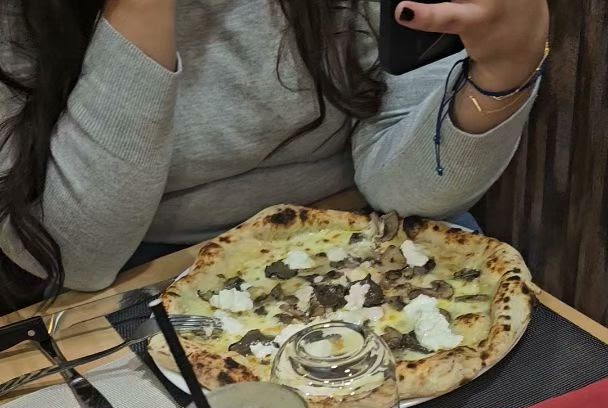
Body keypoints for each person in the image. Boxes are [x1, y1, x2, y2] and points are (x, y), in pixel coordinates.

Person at [0, 0, 549, 310]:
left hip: (370, 236)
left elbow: (407, 190)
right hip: (135, 276)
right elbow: (76, 258)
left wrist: (506, 68)